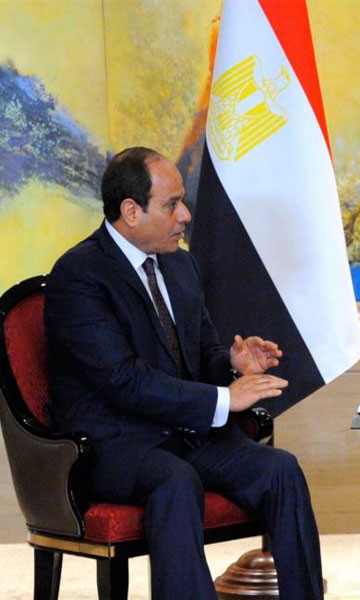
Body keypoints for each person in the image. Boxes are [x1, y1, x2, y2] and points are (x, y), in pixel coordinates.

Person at [44, 147, 324, 599]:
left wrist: (231, 366)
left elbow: (201, 357)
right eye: (172, 204)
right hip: (112, 445)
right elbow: (123, 379)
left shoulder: (179, 264)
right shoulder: (79, 276)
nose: (186, 215)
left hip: (186, 434)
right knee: (175, 480)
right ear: (131, 212)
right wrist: (224, 399)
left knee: (280, 470)